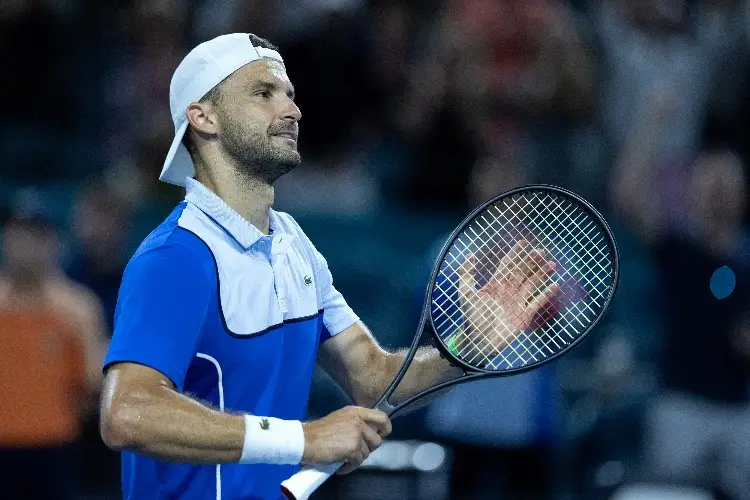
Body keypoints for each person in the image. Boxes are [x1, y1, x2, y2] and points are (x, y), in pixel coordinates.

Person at [99, 33, 559, 500]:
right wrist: (306, 439)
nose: (292, 110)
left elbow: (376, 378)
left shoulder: (295, 245)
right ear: (204, 117)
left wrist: (466, 351)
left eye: (290, 95)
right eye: (263, 93)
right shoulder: (176, 258)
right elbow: (127, 413)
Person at [0, 211, 106, 499]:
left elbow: (92, 382)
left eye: (35, 237)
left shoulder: (77, 308)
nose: (24, 246)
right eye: (16, 235)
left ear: (53, 242)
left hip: (55, 448)